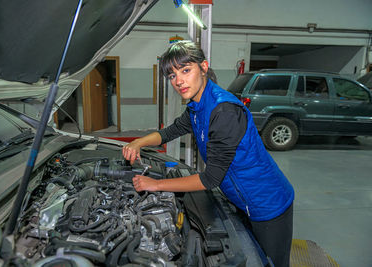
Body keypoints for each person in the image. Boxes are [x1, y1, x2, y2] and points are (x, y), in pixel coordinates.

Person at [122, 40, 294, 267]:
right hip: (242, 199)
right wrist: (137, 143)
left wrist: (155, 184)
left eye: (185, 70)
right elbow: (169, 132)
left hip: (268, 203)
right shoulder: (196, 105)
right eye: (172, 76)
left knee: (271, 262)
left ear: (203, 67)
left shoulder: (224, 111)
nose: (179, 81)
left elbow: (210, 178)